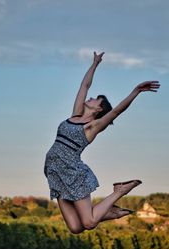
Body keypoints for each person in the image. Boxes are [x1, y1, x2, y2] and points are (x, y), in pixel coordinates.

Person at [44, 51, 160, 234]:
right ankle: (108, 212)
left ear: (99, 109)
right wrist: (95, 64)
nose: (90, 98)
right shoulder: (75, 115)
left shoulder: (91, 127)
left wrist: (136, 91)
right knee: (75, 227)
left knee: (89, 222)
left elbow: (116, 112)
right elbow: (84, 85)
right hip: (55, 174)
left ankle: (119, 191)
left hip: (73, 173)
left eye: (96, 99)